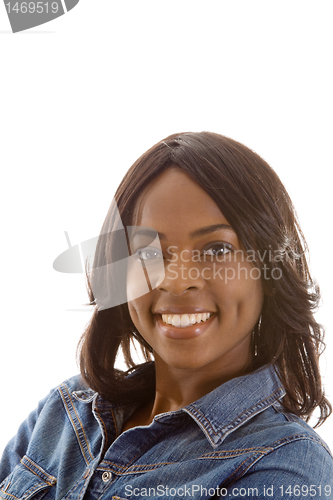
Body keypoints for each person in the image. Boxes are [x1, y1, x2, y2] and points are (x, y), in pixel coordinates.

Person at [1, 132, 332, 499]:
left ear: (269, 270)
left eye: (217, 248)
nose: (176, 282)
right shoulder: (65, 410)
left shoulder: (288, 466)